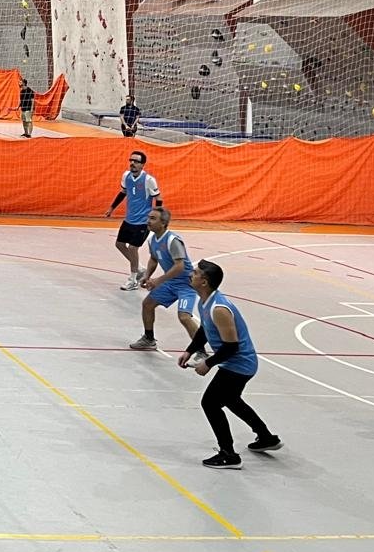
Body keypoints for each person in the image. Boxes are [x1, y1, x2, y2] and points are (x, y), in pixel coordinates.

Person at [180, 259, 281, 468]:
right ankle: (266, 437)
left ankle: (229, 454)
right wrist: (189, 350)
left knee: (210, 403)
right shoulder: (204, 301)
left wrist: (208, 363)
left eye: (196, 273)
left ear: (204, 282)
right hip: (234, 363)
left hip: (239, 365)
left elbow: (232, 346)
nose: (191, 274)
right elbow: (205, 329)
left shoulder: (219, 308)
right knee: (231, 400)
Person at [129, 207, 199, 350]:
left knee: (184, 317)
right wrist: (147, 276)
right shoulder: (152, 240)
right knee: (147, 304)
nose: (148, 221)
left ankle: (201, 350)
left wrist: (158, 281)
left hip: (186, 284)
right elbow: (154, 259)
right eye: (148, 217)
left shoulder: (173, 240)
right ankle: (149, 339)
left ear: (163, 223)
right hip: (171, 282)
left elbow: (180, 266)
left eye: (152, 218)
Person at [105, 149, 161, 290]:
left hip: (143, 221)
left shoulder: (148, 180)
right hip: (129, 219)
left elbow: (158, 198)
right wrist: (112, 208)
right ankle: (140, 269)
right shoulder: (126, 176)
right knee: (119, 244)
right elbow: (123, 192)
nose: (132, 163)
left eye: (136, 161)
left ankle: (133, 279)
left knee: (133, 248)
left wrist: (156, 217)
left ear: (142, 165)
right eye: (131, 160)